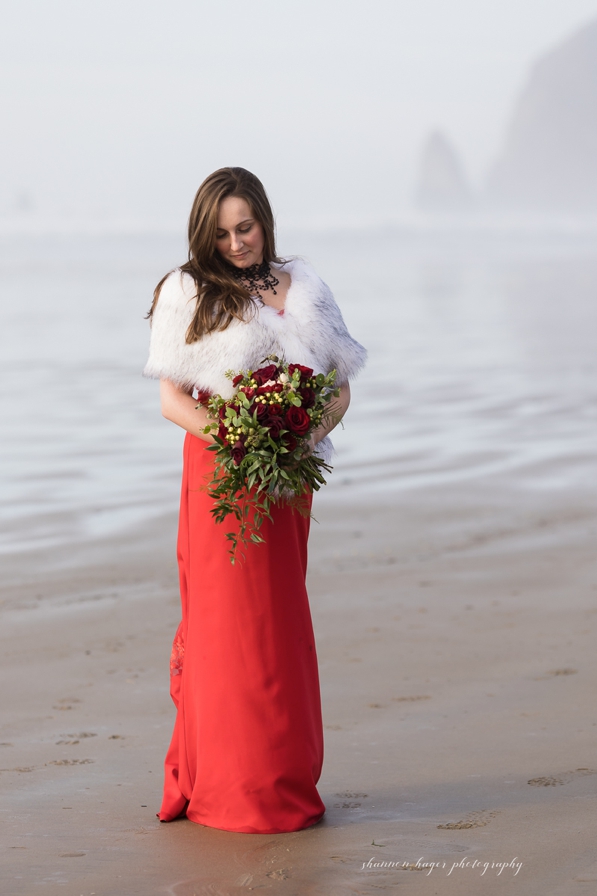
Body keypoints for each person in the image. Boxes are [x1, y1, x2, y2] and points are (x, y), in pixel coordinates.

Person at [143, 167, 366, 834]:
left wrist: (303, 438)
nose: (237, 243)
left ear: (264, 221)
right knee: (227, 626)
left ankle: (283, 775)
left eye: (246, 228)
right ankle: (230, 783)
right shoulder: (186, 290)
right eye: (222, 233)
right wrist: (238, 441)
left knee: (279, 623)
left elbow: (340, 387)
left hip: (288, 479)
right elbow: (171, 400)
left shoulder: (306, 287)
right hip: (222, 475)